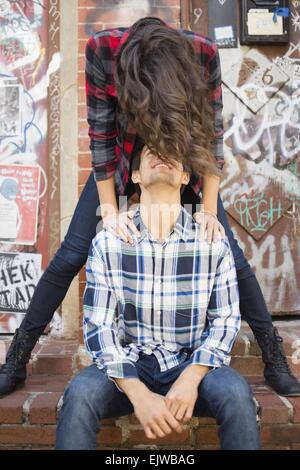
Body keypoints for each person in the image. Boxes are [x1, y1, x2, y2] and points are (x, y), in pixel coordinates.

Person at [0, 16, 299, 398]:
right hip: (125, 163)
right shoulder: (102, 53)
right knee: (71, 253)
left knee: (230, 253)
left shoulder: (202, 55)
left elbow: (212, 140)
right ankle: (17, 361)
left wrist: (208, 213)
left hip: (181, 161)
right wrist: (110, 211)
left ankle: (274, 357)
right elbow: (101, 137)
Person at [55, 144, 261, 450]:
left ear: (185, 177)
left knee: (235, 393)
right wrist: (137, 392)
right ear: (135, 175)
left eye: (172, 151)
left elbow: (225, 321)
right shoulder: (108, 243)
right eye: (151, 151)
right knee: (80, 394)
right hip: (128, 364)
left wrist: (192, 378)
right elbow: (99, 327)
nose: (161, 153)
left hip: (190, 362)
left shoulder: (211, 242)